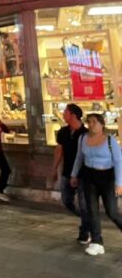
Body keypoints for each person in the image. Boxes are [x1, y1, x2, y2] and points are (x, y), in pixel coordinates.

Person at [70, 113, 122, 256]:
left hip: (107, 177)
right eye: (89, 122)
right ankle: (97, 242)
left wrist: (119, 183)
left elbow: (118, 161)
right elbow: (79, 157)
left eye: (94, 122)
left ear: (102, 124)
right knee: (91, 210)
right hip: (89, 177)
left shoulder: (110, 140)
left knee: (111, 211)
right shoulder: (83, 138)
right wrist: (74, 175)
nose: (91, 124)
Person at [52, 104, 90, 244]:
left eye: (65, 112)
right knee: (67, 200)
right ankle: (88, 221)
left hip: (83, 174)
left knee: (84, 203)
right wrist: (54, 169)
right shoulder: (63, 132)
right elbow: (59, 151)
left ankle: (85, 230)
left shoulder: (85, 133)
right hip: (67, 172)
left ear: (73, 115)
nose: (63, 114)